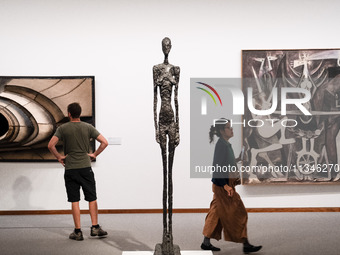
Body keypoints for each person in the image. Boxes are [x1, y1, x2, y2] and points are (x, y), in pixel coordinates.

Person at [48, 102, 108, 241]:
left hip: (70, 169)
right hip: (85, 168)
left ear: (69, 114)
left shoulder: (63, 128)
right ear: (79, 113)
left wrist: (59, 157)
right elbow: (104, 142)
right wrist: (94, 155)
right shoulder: (88, 127)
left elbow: (50, 145)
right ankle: (95, 227)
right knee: (91, 198)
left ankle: (78, 232)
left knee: (74, 200)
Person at [201, 118, 262, 254]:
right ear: (222, 131)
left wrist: (238, 159)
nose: (232, 129)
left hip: (224, 184)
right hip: (223, 185)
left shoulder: (226, 144)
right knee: (240, 213)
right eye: (229, 127)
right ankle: (245, 244)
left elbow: (225, 163)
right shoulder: (221, 145)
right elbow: (217, 167)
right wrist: (225, 186)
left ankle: (206, 242)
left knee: (216, 212)